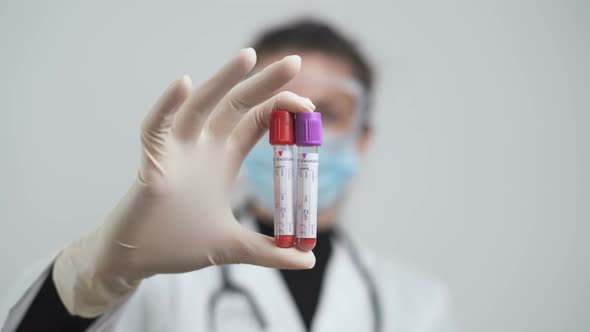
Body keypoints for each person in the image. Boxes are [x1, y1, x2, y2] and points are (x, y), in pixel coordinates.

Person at [0, 19, 452, 332]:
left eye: (326, 112)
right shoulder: (163, 280)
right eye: (280, 107)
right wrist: (94, 274)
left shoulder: (416, 302)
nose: (296, 131)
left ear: (364, 138)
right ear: (249, 121)